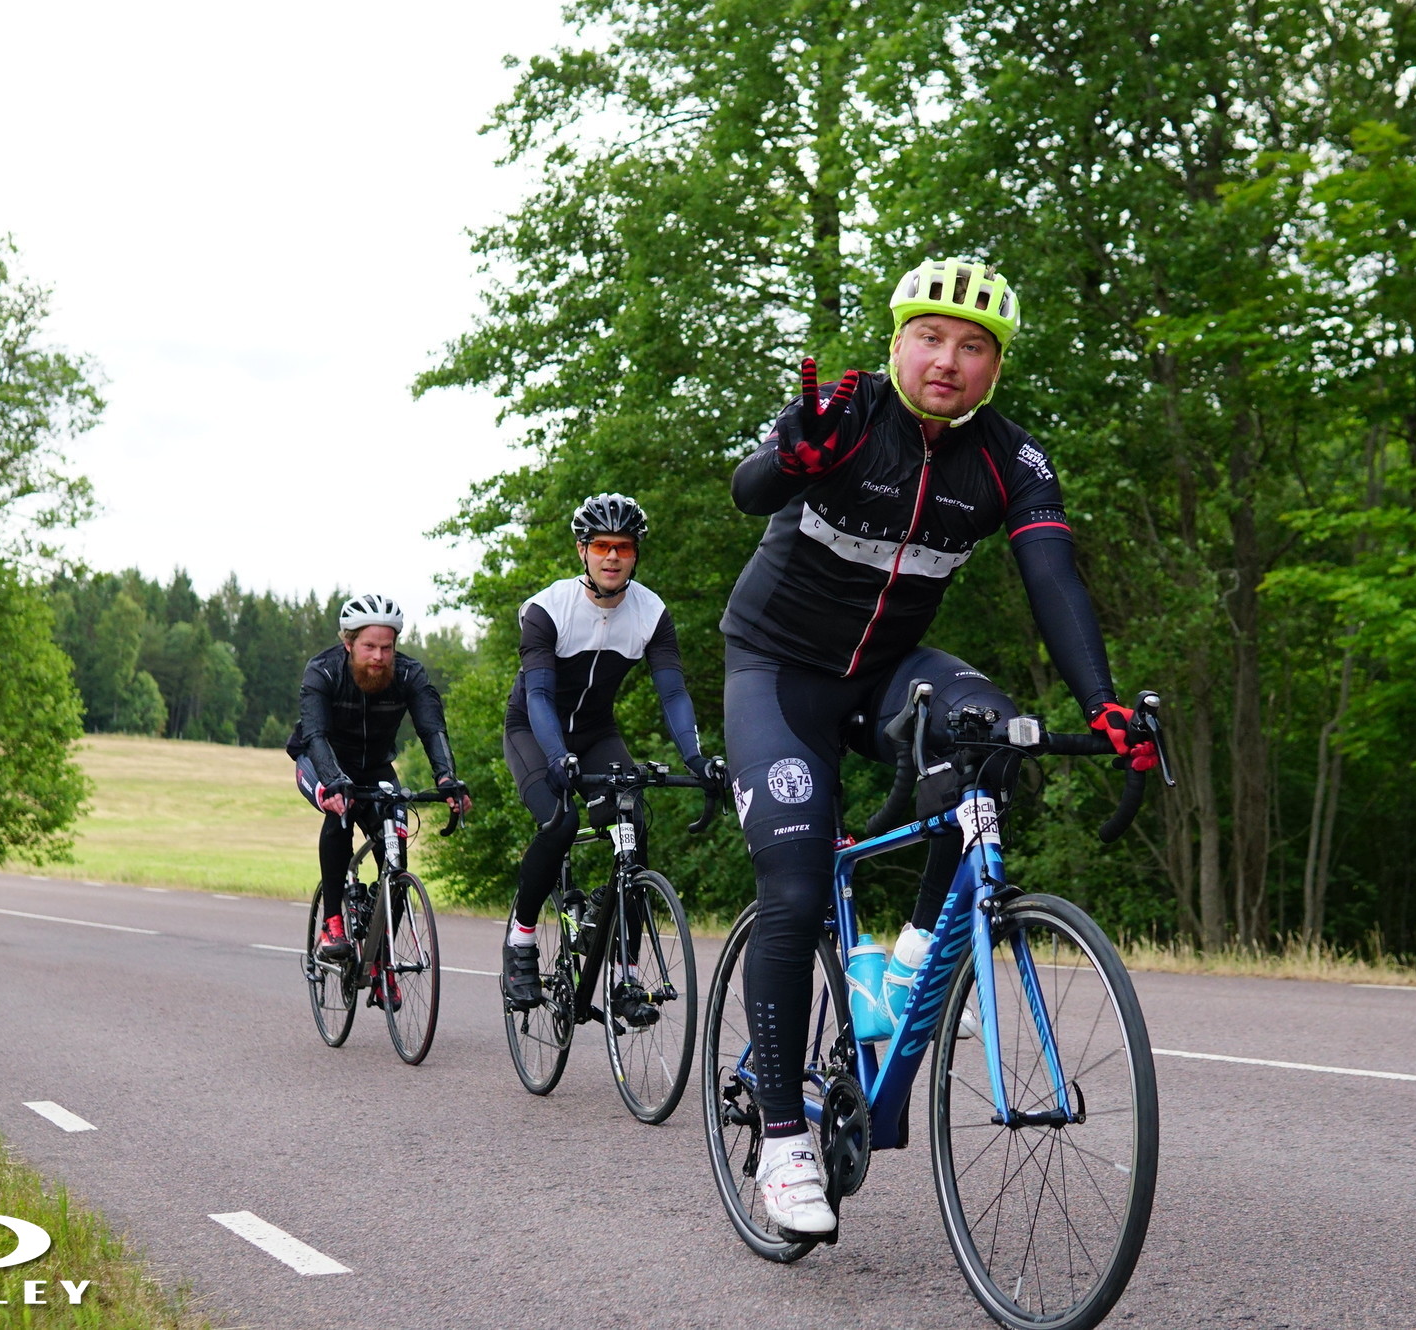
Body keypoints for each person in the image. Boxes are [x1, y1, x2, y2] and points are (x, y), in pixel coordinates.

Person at [720, 257, 1152, 1235]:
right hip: (778, 672)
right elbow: (749, 489)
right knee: (793, 888)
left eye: (972, 346)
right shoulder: (844, 416)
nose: (946, 360)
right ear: (896, 342)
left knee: (993, 736)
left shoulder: (1009, 458)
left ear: (995, 366)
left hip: (887, 673)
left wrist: (1103, 705)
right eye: (929, 337)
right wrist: (788, 459)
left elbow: (1053, 577)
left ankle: (914, 957)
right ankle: (783, 1142)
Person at [499, 494, 718, 1022]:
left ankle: (625, 976)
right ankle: (521, 941)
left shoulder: (651, 613)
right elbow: (538, 696)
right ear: (583, 551)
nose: (613, 556)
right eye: (601, 546)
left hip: (597, 733)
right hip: (534, 730)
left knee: (632, 825)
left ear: (636, 553)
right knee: (560, 821)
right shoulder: (547, 609)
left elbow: (672, 693)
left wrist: (697, 759)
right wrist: (557, 757)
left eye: (623, 546)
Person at [289, 594, 469, 1006]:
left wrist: (447, 778)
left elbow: (432, 729)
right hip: (321, 761)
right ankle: (332, 922)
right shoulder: (323, 670)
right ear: (348, 642)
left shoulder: (408, 674)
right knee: (339, 812)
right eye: (369, 646)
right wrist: (334, 782)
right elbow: (315, 734)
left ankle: (381, 959)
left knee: (396, 848)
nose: (379, 657)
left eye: (387, 647)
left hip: (375, 769)